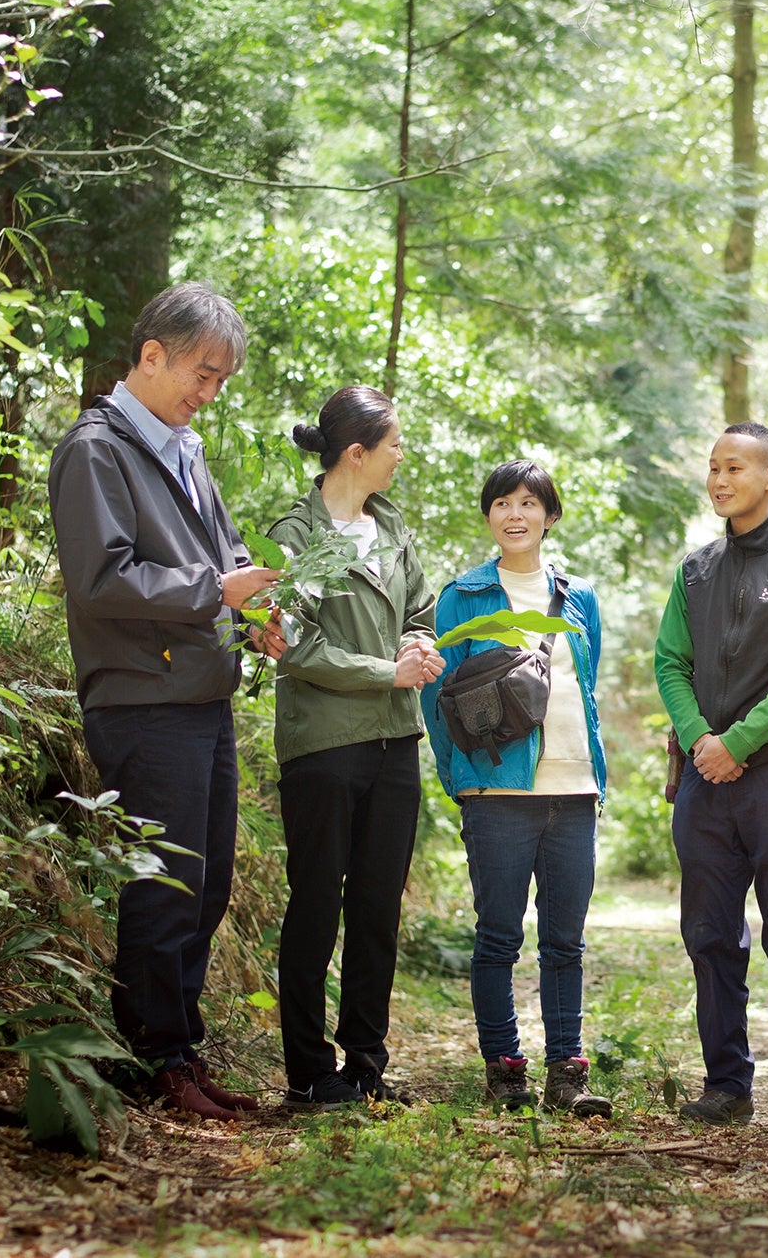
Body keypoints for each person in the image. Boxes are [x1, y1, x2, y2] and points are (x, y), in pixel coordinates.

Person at [47, 281, 285, 1122]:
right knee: (163, 883)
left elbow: (222, 561)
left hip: (200, 694)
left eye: (221, 379)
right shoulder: (96, 449)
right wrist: (216, 591)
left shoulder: (185, 448)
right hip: (141, 700)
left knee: (206, 881)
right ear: (152, 356)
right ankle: (150, 1062)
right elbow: (103, 576)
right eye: (202, 373)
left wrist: (256, 616)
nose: (208, 391)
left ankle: (179, 1052)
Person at [654, 422, 768, 1128]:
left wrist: (738, 741)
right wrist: (703, 738)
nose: (720, 480)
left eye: (735, 467)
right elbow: (669, 661)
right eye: (713, 468)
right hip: (704, 782)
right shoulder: (694, 570)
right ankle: (727, 1083)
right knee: (709, 934)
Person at [268, 385, 443, 1109]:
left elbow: (422, 609)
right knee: (316, 902)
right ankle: (309, 1072)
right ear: (357, 452)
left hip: (396, 743)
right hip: (324, 745)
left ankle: (365, 1064)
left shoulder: (395, 527)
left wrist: (416, 640)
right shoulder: (294, 533)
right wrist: (386, 672)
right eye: (395, 443)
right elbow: (293, 643)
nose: (402, 455)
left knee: (376, 907)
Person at [422, 460, 614, 1118]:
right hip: (496, 791)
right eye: (502, 502)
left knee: (565, 939)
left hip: (573, 787)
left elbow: (586, 685)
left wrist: (594, 771)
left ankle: (568, 1070)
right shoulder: (463, 595)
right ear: (488, 516)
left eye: (529, 502)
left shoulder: (579, 596)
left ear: (549, 515)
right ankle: (504, 1069)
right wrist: (461, 777)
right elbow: (436, 693)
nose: (515, 514)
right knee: (499, 935)